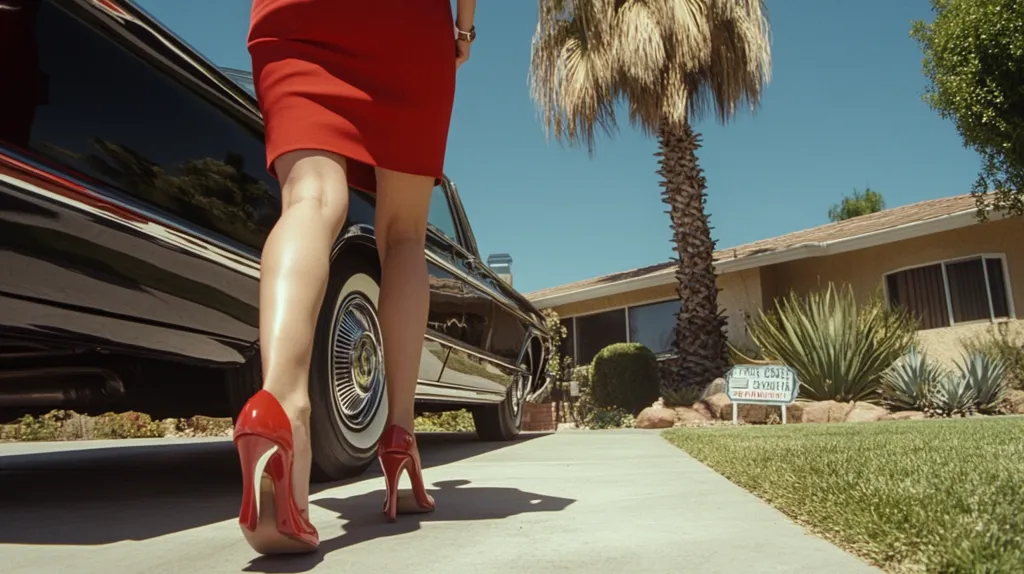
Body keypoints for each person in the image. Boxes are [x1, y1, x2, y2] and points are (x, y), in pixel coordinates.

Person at [233, 0, 476, 555]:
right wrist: (463, 28)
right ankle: (399, 432)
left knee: (310, 197)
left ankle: (281, 408)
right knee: (404, 235)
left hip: (296, 14)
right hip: (406, 24)